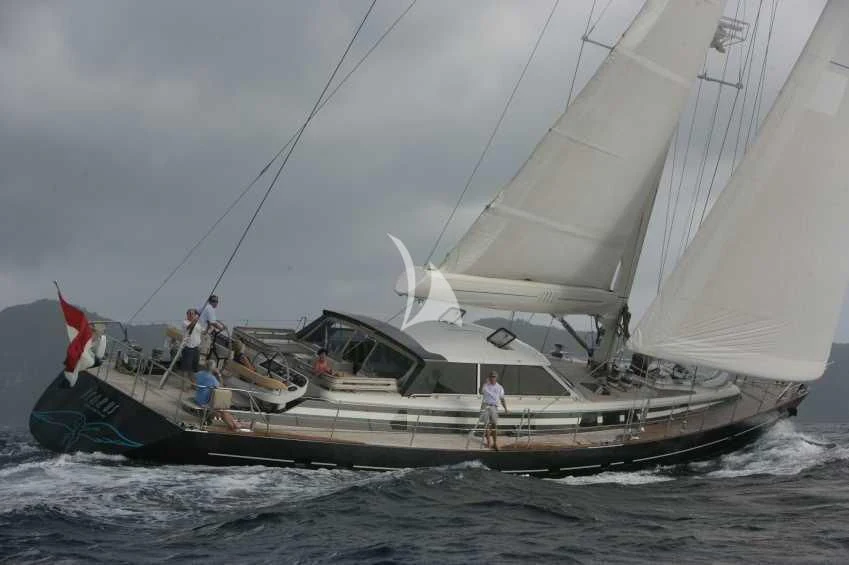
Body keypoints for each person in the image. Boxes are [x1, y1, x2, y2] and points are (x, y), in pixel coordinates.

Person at [194, 364, 240, 431]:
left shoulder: (199, 373)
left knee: (221, 409)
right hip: (205, 402)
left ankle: (233, 423)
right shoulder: (212, 378)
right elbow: (221, 386)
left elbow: (193, 380)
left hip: (198, 398)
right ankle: (233, 426)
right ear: (213, 369)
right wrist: (219, 374)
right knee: (222, 409)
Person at [480, 370, 508, 450]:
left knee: (494, 425)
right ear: (489, 377)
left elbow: (502, 399)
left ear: (496, 378)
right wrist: (485, 383)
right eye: (491, 376)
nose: (492, 378)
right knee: (486, 425)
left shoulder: (500, 387)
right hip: (485, 406)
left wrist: (505, 408)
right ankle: (489, 442)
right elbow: (481, 391)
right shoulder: (485, 385)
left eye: (494, 377)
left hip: (494, 407)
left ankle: (495, 443)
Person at [181, 308, 202, 380]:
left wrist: (210, 327)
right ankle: (183, 384)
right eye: (189, 314)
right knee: (186, 368)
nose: (191, 315)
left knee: (194, 368)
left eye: (192, 314)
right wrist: (196, 319)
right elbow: (190, 327)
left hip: (196, 348)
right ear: (187, 315)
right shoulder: (185, 322)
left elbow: (204, 332)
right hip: (188, 348)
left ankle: (192, 383)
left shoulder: (198, 325)